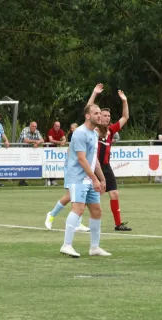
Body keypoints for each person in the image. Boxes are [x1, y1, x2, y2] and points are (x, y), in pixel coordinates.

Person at [60, 103, 110, 258]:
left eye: (99, 113)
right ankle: (66, 245)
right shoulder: (80, 133)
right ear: (87, 116)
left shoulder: (94, 134)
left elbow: (93, 159)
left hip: (89, 178)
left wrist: (102, 179)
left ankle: (94, 247)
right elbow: (82, 159)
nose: (99, 116)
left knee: (96, 211)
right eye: (96, 113)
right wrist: (95, 179)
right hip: (77, 178)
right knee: (78, 209)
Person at [88, 84, 132, 230]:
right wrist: (94, 94)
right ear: (98, 117)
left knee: (114, 193)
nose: (106, 118)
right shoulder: (93, 128)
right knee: (92, 197)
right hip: (93, 166)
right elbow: (88, 108)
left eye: (108, 116)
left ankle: (118, 224)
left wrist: (124, 101)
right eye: (104, 116)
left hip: (106, 166)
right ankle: (81, 221)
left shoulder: (111, 130)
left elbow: (125, 117)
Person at [17, 121, 43, 186]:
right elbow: (25, 140)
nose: (34, 128)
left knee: (27, 166)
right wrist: (36, 141)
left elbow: (42, 140)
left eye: (35, 127)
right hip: (20, 150)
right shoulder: (25, 130)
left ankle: (22, 181)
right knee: (22, 166)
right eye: (33, 126)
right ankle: (21, 181)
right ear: (30, 126)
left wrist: (38, 143)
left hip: (28, 151)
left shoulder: (36, 131)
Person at [46, 121, 67, 186]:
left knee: (55, 164)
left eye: (58, 126)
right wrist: (60, 142)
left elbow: (64, 139)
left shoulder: (61, 131)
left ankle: (53, 180)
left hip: (55, 149)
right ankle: (48, 180)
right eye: (56, 126)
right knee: (48, 164)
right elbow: (51, 140)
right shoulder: (51, 131)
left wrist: (63, 141)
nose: (57, 127)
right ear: (54, 126)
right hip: (48, 149)